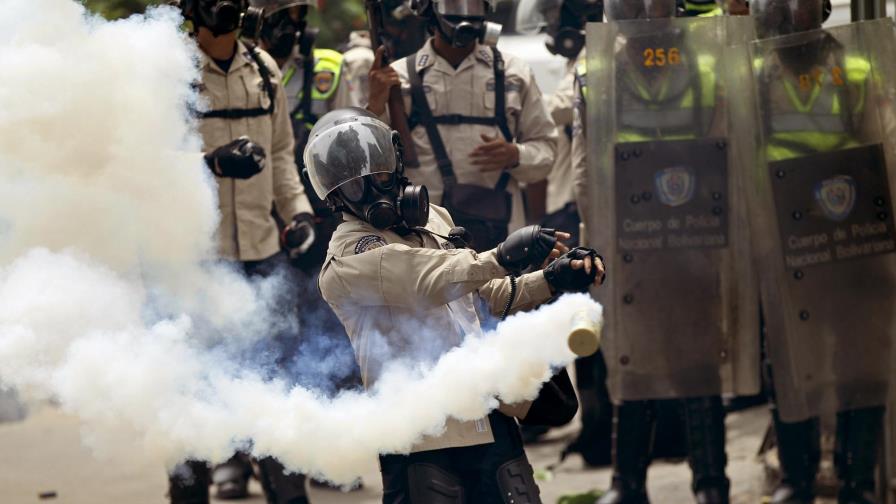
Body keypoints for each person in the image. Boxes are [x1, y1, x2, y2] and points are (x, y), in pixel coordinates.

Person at [306, 107, 605, 504]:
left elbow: (490, 296)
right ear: (336, 198)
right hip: (421, 435)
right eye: (356, 187)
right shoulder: (347, 257)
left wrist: (553, 279)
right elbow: (426, 279)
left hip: (488, 412)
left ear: (394, 167)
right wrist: (501, 255)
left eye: (377, 175)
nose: (374, 191)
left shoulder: (433, 218)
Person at [572, 1, 759, 502]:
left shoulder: (703, 61)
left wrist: (723, 231)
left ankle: (711, 483)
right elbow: (586, 164)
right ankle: (627, 483)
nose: (644, 9)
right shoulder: (594, 68)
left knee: (699, 357)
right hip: (628, 239)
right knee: (631, 358)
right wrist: (600, 238)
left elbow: (726, 139)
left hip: (693, 227)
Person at [748, 1, 896, 502]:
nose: (793, 14)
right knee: (788, 361)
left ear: (822, 10)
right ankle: (798, 477)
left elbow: (884, 147)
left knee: (857, 358)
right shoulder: (752, 75)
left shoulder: (854, 69)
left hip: (848, 238)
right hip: (783, 245)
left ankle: (857, 480)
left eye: (803, 4)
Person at [169, 1, 316, 503]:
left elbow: (280, 154)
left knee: (272, 384)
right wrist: (208, 163)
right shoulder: (167, 70)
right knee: (192, 393)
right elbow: (141, 160)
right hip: (195, 260)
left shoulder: (264, 67)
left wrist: (297, 214)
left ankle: (288, 494)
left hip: (260, 251)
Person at [367, 0, 557, 252]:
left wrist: (515, 155)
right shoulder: (397, 78)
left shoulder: (514, 72)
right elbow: (372, 164)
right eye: (454, 4)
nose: (465, 14)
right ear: (429, 10)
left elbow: (546, 150)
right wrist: (375, 104)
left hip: (498, 238)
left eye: (474, 5)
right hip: (424, 239)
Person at [513, 0, 614, 463]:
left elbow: (555, 114)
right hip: (574, 208)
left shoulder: (598, 58)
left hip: (585, 212)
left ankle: (599, 431)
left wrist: (513, 117)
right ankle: (594, 429)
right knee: (578, 326)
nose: (552, 33)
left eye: (557, 23)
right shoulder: (584, 59)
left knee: (582, 324)